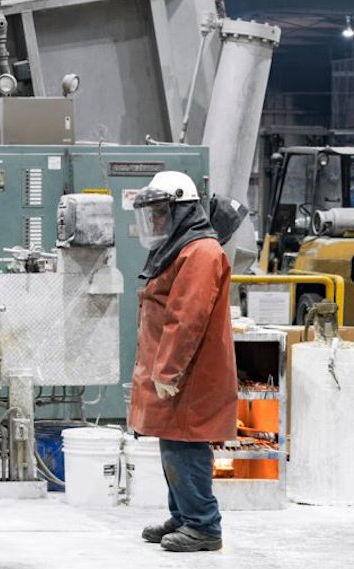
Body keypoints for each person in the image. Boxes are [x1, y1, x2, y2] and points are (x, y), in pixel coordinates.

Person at [128, 171, 236, 553]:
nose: (155, 221)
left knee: (185, 444)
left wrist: (169, 370)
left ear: (182, 210)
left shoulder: (201, 252)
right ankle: (184, 515)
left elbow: (186, 317)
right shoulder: (180, 247)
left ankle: (204, 525)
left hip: (189, 372)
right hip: (173, 369)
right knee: (171, 441)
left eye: (160, 212)